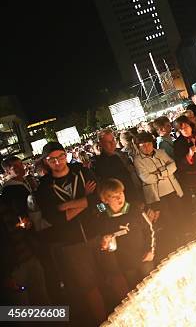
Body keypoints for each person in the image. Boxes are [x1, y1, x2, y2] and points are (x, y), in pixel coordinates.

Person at [36, 142, 106, 324]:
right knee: (89, 286)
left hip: (96, 231)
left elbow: (99, 197)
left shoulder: (81, 172)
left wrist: (66, 206)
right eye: (52, 159)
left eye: (60, 157)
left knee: (112, 273)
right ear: (45, 162)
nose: (58, 162)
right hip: (72, 243)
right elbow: (55, 219)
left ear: (66, 155)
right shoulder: (44, 187)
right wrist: (86, 199)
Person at [97, 179, 155, 291]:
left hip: (144, 257)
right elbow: (105, 245)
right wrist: (105, 242)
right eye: (114, 196)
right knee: (136, 291)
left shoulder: (134, 210)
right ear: (105, 200)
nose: (119, 198)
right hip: (125, 263)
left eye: (120, 193)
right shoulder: (104, 219)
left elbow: (149, 230)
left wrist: (150, 250)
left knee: (152, 285)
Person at [133, 132, 186, 250]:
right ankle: (176, 244)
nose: (146, 147)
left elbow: (173, 165)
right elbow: (146, 178)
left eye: (148, 144)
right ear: (138, 146)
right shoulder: (138, 160)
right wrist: (165, 172)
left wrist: (158, 173)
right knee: (168, 221)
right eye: (143, 145)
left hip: (172, 189)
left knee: (180, 215)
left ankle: (185, 237)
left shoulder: (161, 153)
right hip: (157, 196)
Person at [94, 129, 144, 205]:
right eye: (108, 142)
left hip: (133, 194)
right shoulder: (101, 163)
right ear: (101, 144)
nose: (112, 143)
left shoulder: (118, 155)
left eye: (113, 140)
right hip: (122, 201)